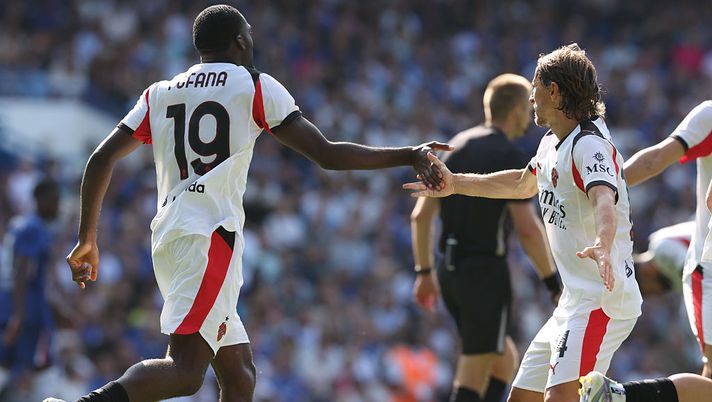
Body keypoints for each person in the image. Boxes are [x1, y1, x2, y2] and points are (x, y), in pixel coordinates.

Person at [48, 5, 451, 402]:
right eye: (251, 33)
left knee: (239, 375)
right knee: (186, 372)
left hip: (172, 236)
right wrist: (408, 154)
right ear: (240, 41)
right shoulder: (254, 85)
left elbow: (101, 158)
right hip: (209, 238)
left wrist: (88, 238)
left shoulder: (160, 93)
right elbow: (326, 154)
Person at [405, 43, 642, 402]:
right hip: (574, 300)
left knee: (559, 398)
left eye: (534, 87)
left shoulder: (589, 146)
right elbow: (520, 183)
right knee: (521, 398)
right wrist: (455, 184)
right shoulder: (551, 144)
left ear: (554, 90)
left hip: (601, 299)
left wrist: (603, 242)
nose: (530, 97)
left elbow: (604, 199)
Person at [410, 73, 560, 402]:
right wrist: (552, 281)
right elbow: (527, 227)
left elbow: (421, 215)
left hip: (449, 273)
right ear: (519, 109)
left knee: (503, 359)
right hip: (482, 273)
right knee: (474, 369)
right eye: (529, 106)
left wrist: (424, 273)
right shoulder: (508, 154)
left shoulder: (455, 145)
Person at [623, 100, 712, 377]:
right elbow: (654, 160)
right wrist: (601, 187)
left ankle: (620, 396)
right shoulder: (709, 115)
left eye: (645, 290)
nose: (653, 293)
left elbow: (654, 160)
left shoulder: (662, 246)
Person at [0, 178, 61, 400]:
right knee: (44, 368)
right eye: (54, 200)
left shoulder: (22, 224)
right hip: (28, 311)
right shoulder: (33, 227)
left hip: (12, 305)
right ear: (40, 199)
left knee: (6, 363)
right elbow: (22, 271)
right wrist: (19, 313)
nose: (58, 206)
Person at [633, 221, 693, 296]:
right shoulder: (674, 279)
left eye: (649, 292)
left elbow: (692, 270)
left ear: (645, 272)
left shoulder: (659, 248)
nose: (656, 293)